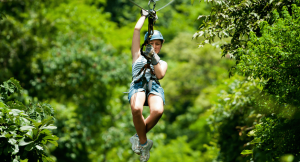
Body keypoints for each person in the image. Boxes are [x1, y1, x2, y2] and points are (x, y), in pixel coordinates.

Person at [128, 9, 168, 162]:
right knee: (137, 109)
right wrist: (144, 16)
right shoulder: (137, 55)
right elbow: (137, 30)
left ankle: (138, 137)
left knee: (158, 110)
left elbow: (160, 75)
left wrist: (153, 57)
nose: (154, 46)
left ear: (161, 46)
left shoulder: (162, 62)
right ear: (146, 44)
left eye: (157, 44)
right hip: (138, 85)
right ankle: (144, 143)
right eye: (151, 43)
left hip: (154, 86)